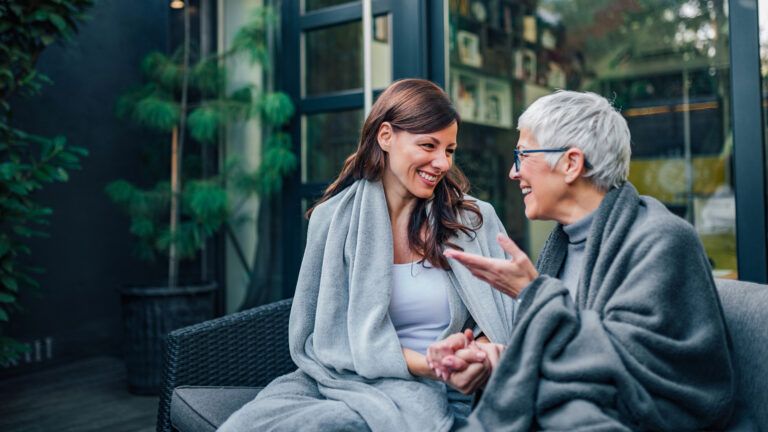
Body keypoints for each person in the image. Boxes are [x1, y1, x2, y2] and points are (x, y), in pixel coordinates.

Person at [218, 79, 516, 432]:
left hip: (451, 391)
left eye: (449, 150)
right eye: (428, 145)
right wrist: (430, 363)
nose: (441, 163)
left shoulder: (472, 221)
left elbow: (505, 313)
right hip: (350, 381)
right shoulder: (333, 220)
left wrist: (475, 355)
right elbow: (325, 339)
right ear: (386, 136)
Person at [427, 90, 736, 430]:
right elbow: (563, 355)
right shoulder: (562, 244)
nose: (513, 173)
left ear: (571, 163)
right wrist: (491, 360)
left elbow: (627, 370)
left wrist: (534, 294)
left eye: (523, 155)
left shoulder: (662, 240)